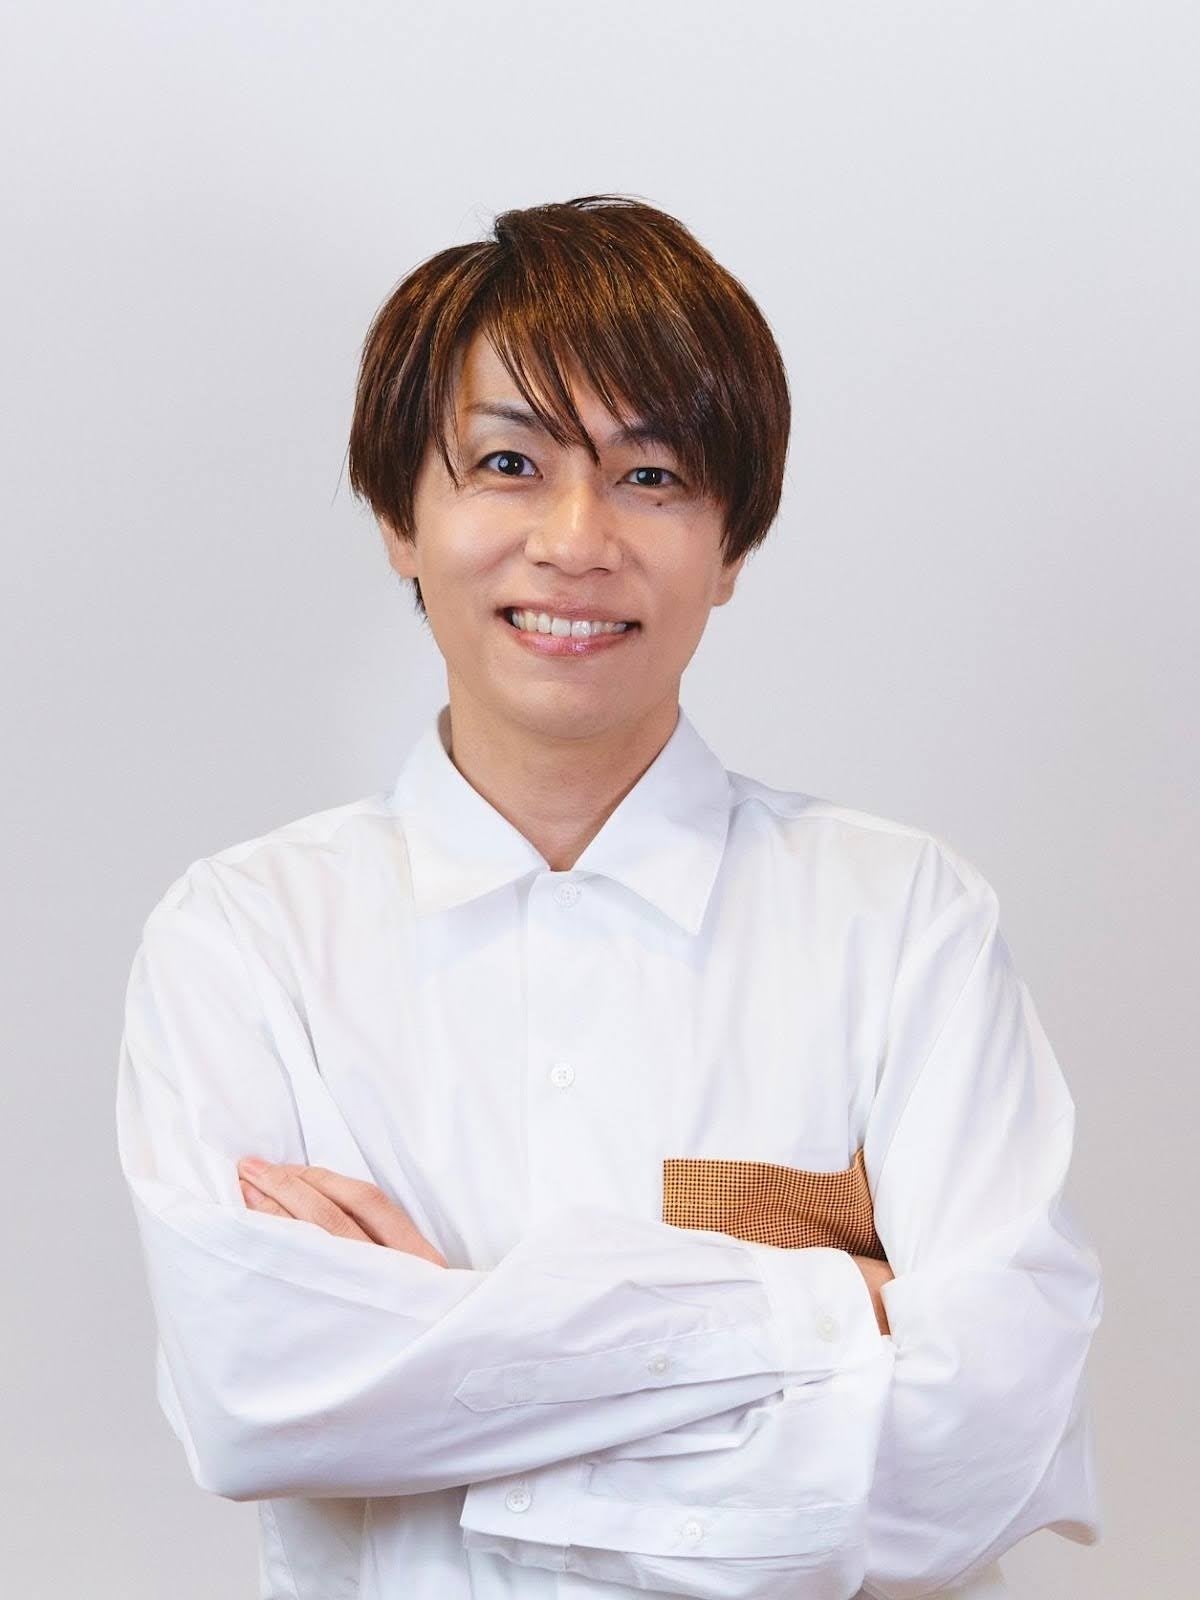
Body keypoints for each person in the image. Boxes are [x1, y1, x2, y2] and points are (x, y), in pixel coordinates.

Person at [115, 194, 1103, 1600]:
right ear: (400, 516)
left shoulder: (902, 920)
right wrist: (829, 1312)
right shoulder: (245, 938)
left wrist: (442, 1376)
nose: (577, 540)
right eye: (509, 462)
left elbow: (989, 1445)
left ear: (733, 543)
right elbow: (254, 1397)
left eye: (651, 475)